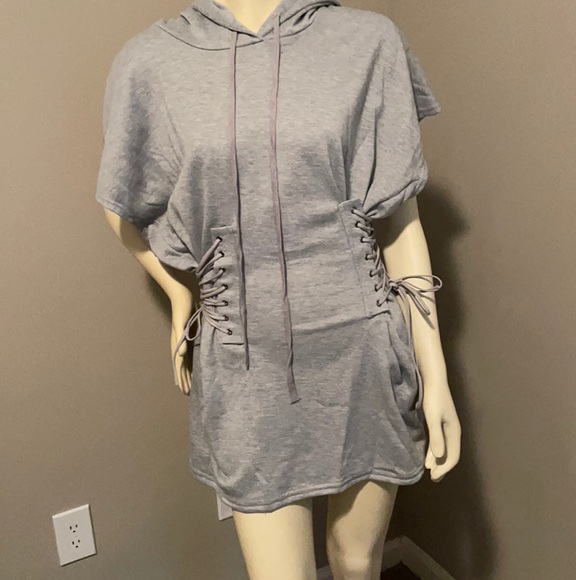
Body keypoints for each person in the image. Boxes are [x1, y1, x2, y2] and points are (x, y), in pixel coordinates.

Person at [96, 0, 461, 577]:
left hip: (363, 352)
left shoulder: (368, 42)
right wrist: (180, 292)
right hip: (245, 365)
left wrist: (434, 373)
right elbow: (121, 205)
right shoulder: (151, 61)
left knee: (358, 561)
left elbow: (399, 215)